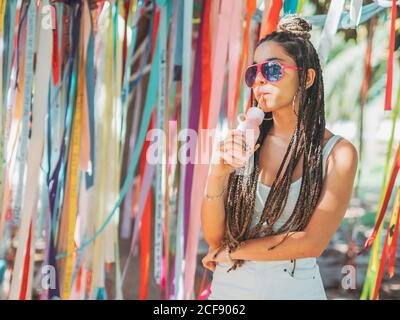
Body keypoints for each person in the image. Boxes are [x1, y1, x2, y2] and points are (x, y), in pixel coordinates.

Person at [200, 14, 358, 300]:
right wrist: (217, 174)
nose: (259, 80)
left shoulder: (338, 153)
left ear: (307, 77)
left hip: (294, 286)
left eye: (272, 70)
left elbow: (311, 243)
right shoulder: (245, 141)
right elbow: (214, 239)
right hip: (229, 286)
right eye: (254, 72)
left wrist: (233, 251)